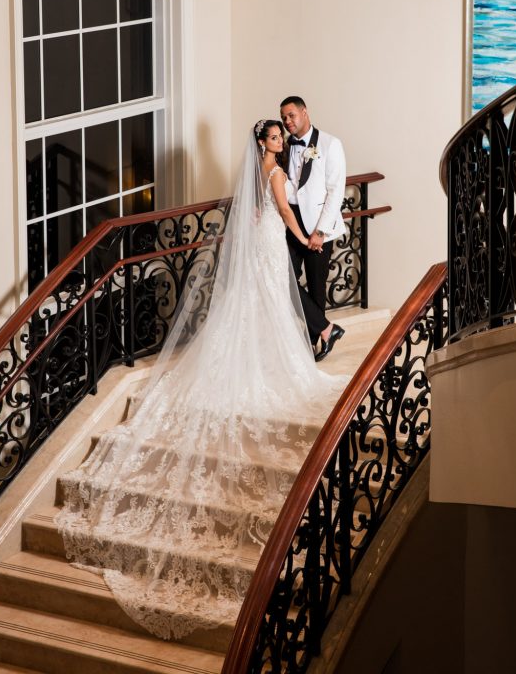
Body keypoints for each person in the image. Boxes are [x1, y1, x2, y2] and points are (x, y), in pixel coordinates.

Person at [55, 121, 348, 642]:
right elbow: (281, 213)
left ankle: (256, 354)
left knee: (255, 308)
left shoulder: (255, 172)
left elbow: (254, 213)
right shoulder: (275, 173)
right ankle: (276, 360)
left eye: (282, 136)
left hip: (257, 249)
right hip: (272, 248)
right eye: (276, 137)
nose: (281, 142)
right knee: (273, 310)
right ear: (267, 143)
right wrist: (305, 239)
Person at [279, 96, 347, 361]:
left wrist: (320, 232)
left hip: (319, 224)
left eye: (291, 115)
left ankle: (314, 341)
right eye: (284, 117)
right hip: (291, 222)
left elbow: (335, 192)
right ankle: (328, 330)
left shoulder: (330, 144)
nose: (287, 121)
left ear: (305, 112)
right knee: (284, 280)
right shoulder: (284, 146)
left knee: (317, 286)